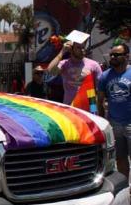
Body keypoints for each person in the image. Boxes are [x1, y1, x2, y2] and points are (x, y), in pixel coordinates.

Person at [97, 42, 131, 180]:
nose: (112, 57)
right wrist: (101, 122)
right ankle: (124, 185)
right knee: (120, 158)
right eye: (111, 55)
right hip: (114, 124)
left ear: (127, 56)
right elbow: (99, 100)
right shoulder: (104, 76)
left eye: (116, 55)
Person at [46, 39, 102, 105]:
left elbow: (100, 89)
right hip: (69, 106)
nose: (82, 50)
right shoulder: (65, 64)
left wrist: (96, 107)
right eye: (78, 47)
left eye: (83, 47)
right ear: (71, 49)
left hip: (89, 106)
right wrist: (62, 51)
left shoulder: (94, 65)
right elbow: (50, 71)